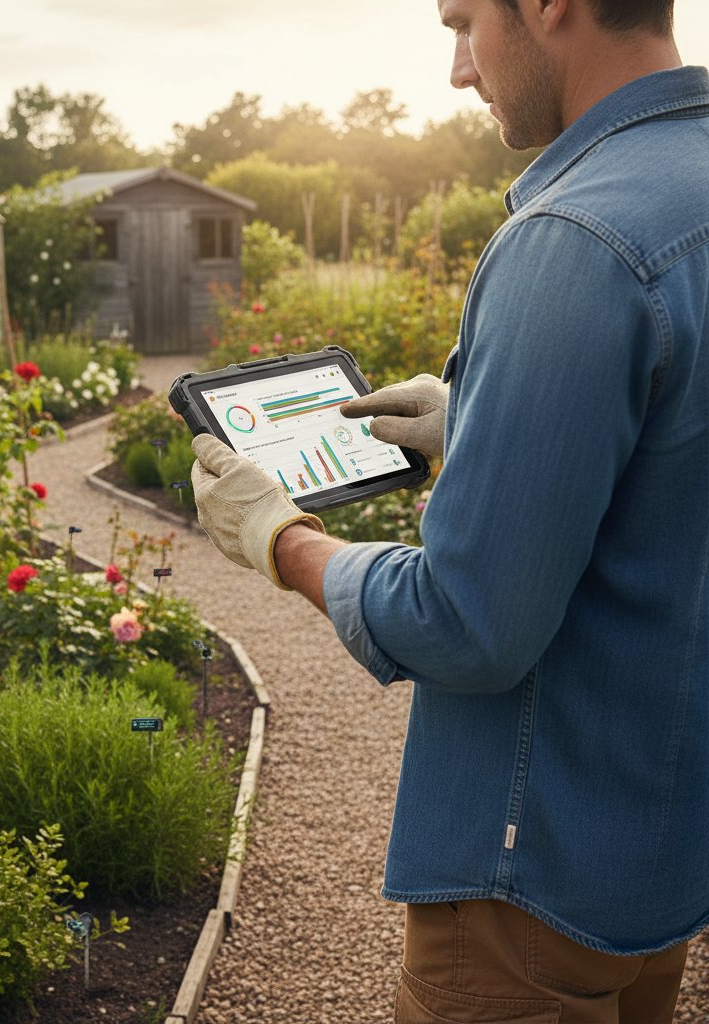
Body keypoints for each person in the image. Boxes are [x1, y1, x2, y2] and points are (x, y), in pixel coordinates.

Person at [190, 0, 709, 1019]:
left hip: (530, 884)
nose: (459, 70)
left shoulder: (573, 235)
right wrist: (472, 419)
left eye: (464, 22)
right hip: (664, 856)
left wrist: (283, 540)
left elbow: (468, 623)